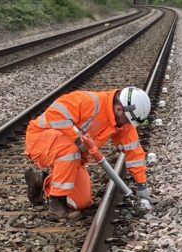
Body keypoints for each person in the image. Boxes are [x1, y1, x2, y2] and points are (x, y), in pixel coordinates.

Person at [24, 87, 153, 219]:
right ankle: (56, 206)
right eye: (128, 121)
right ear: (119, 110)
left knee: (81, 202)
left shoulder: (122, 122)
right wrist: (78, 140)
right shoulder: (87, 101)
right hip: (40, 140)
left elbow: (134, 153)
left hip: (68, 154)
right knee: (69, 150)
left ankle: (39, 179)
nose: (128, 125)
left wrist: (142, 188)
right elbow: (55, 114)